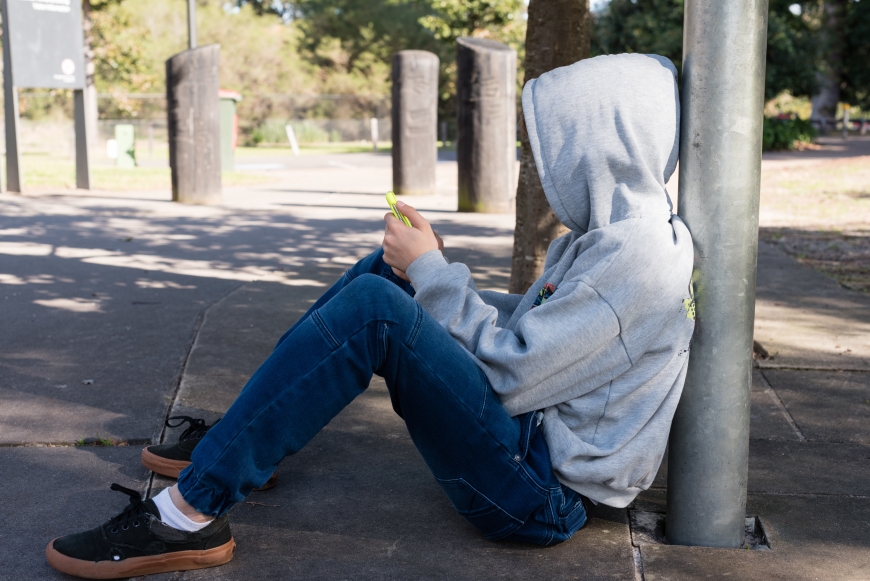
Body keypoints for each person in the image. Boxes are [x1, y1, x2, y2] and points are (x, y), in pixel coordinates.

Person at [46, 53, 694, 579]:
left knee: (378, 311)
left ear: (601, 145)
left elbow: (514, 372)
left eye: (552, 145)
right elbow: (541, 334)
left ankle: (185, 516)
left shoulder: (637, 261)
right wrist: (427, 269)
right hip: (531, 442)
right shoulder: (606, 239)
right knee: (388, 275)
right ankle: (246, 440)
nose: (537, 160)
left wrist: (436, 275)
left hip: (539, 493)